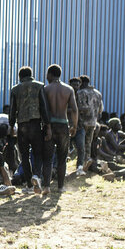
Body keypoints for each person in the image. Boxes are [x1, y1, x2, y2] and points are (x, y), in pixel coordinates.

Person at [9, 66, 51, 193]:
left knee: (24, 156)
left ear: (20, 76)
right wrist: (47, 126)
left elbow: (12, 109)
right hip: (36, 124)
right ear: (31, 74)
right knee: (38, 153)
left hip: (22, 125)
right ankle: (36, 175)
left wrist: (11, 126)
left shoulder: (15, 89)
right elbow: (44, 107)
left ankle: (28, 185)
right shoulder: (39, 86)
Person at [42, 64, 77, 193]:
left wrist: (48, 127)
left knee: (47, 158)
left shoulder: (45, 89)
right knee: (62, 158)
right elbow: (74, 109)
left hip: (49, 125)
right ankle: (61, 187)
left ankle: (46, 186)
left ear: (50, 74)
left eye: (47, 74)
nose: (46, 77)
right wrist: (74, 126)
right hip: (63, 125)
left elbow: (45, 110)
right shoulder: (68, 89)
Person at [76, 75, 103, 171]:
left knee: (80, 145)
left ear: (81, 83)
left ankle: (80, 164)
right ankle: (86, 162)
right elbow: (100, 110)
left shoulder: (81, 92)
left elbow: (79, 108)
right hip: (93, 122)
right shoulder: (98, 93)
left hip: (82, 122)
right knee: (88, 144)